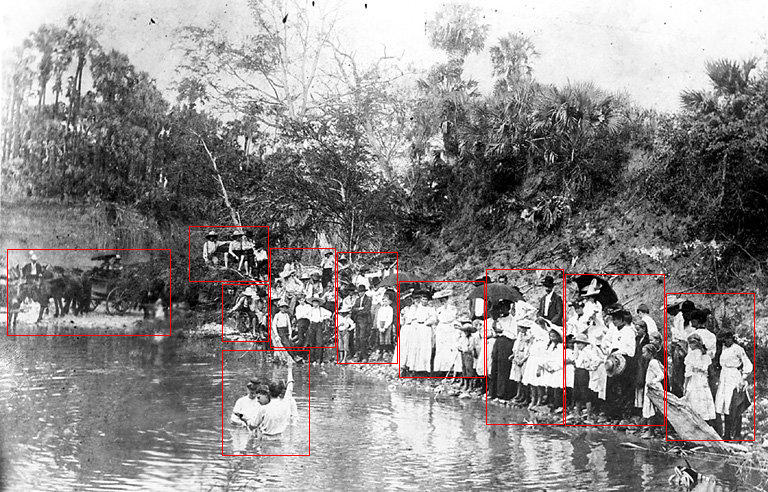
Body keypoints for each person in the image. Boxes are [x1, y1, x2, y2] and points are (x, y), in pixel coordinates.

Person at [715, 331, 753, 439]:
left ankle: (736, 434)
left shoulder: (738, 349)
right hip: (724, 377)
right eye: (724, 340)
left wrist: (743, 378)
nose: (726, 342)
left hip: (734, 377)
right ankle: (726, 434)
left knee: (734, 404)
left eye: (727, 339)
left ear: (731, 338)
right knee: (723, 405)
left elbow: (748, 364)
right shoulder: (723, 348)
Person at [247, 360, 297, 439]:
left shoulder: (263, 409)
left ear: (268, 393)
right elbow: (290, 387)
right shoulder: (285, 404)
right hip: (280, 438)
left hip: (266, 439)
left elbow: (252, 426)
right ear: (280, 392)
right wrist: (290, 369)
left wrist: (246, 421)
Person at [684, 333, 716, 423]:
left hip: (694, 380)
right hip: (703, 381)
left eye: (690, 344)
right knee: (703, 400)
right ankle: (704, 421)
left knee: (694, 400)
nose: (689, 346)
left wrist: (685, 386)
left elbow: (687, 374)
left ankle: (695, 422)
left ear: (694, 344)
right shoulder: (705, 356)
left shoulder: (691, 355)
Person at [405, 290, 437, 373]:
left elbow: (433, 319)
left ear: (428, 301)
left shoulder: (431, 309)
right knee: (415, 347)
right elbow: (412, 317)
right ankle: (414, 368)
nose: (424, 301)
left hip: (425, 329)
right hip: (417, 328)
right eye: (422, 299)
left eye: (426, 300)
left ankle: (424, 369)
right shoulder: (417, 307)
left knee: (425, 348)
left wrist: (426, 322)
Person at [432, 289, 460, 374]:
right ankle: (441, 369)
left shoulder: (452, 308)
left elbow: (453, 318)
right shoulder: (438, 309)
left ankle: (451, 369)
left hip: (450, 329)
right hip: (441, 329)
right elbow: (436, 319)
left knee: (450, 348)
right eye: (441, 300)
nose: (442, 301)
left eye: (444, 299)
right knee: (441, 349)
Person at [489, 312, 516, 400]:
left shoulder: (512, 320)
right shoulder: (499, 319)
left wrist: (503, 331)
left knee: (503, 368)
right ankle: (493, 392)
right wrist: (494, 328)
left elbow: (513, 335)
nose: (501, 311)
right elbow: (494, 333)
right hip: (498, 342)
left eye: (503, 308)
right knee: (495, 366)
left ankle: (503, 393)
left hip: (507, 343)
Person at [640, 344, 665, 438]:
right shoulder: (652, 362)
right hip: (650, 387)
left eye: (644, 352)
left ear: (650, 353)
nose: (643, 354)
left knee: (651, 409)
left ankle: (651, 432)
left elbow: (661, 375)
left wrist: (653, 382)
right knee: (650, 408)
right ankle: (651, 430)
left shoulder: (653, 362)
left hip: (653, 387)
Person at [306, 296, 332, 363]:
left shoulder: (322, 309)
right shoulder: (310, 309)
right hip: (312, 326)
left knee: (319, 342)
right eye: (313, 302)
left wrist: (323, 318)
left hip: (319, 326)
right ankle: (312, 359)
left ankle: (319, 360)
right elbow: (305, 315)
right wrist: (310, 318)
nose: (314, 303)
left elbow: (330, 314)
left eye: (315, 302)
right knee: (312, 342)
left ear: (318, 303)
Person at [351, 285, 373, 361]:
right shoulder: (357, 300)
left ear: (364, 292)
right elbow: (353, 309)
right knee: (357, 338)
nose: (360, 293)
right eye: (359, 292)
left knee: (363, 338)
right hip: (358, 320)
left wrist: (358, 311)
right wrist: (359, 309)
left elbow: (366, 310)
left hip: (364, 321)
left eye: (361, 292)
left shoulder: (368, 299)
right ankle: (359, 355)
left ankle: (365, 356)